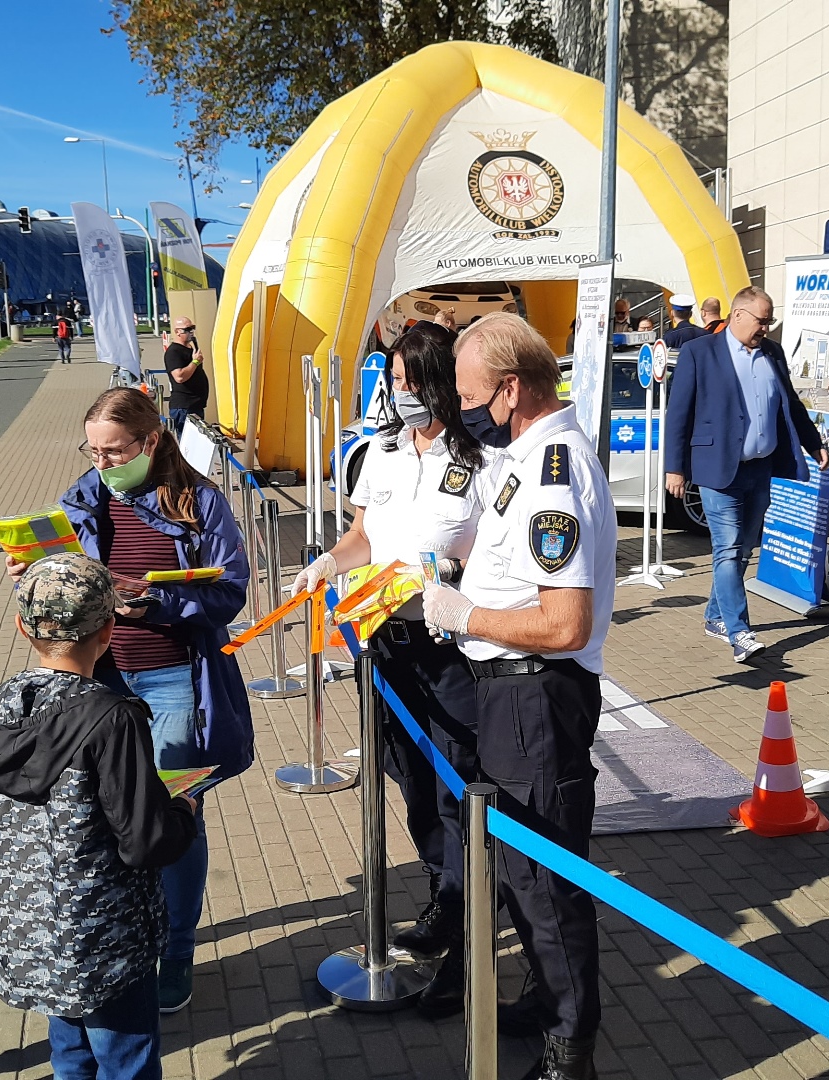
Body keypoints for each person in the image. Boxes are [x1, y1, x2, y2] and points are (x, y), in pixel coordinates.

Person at [6, 386, 253, 1015]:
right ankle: (128, 934)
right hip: (101, 683)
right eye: (93, 451)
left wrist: (157, 602)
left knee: (171, 817)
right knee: (108, 812)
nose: (103, 463)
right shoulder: (81, 500)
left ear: (150, 442)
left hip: (173, 679)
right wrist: (33, 573)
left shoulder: (198, 501)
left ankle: (176, 949)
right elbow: (64, 584)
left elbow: (230, 592)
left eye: (115, 451)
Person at [422, 312, 614, 1080]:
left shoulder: (554, 472)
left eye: (471, 397)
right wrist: (458, 576)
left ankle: (571, 1049)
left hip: (537, 695)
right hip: (510, 695)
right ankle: (546, 999)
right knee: (520, 869)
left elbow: (565, 624)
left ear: (511, 390)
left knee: (545, 881)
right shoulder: (523, 458)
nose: (462, 410)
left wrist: (466, 615)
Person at [291, 322, 484, 1017]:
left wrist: (450, 570)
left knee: (458, 779)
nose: (401, 394)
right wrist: (327, 562)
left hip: (448, 639)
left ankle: (466, 917)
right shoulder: (382, 450)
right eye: (395, 382)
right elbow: (362, 535)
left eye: (412, 382)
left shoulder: (480, 455)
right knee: (411, 777)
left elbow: (492, 548)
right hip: (382, 639)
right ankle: (441, 892)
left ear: (442, 383)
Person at [0, 553, 200, 1080]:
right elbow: (144, 841)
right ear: (108, 630)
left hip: (33, 924)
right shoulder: (112, 716)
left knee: (70, 1053)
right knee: (126, 1059)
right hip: (106, 931)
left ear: (22, 627)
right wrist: (181, 810)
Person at [663, 286, 829, 663]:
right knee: (727, 547)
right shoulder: (699, 352)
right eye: (761, 321)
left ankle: (714, 616)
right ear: (737, 315)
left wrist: (813, 442)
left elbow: (791, 404)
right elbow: (678, 414)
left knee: (743, 549)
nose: (766, 328)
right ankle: (739, 632)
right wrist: (675, 468)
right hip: (717, 469)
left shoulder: (772, 353)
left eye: (770, 321)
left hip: (761, 468)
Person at [164, 316, 209, 430]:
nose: (191, 332)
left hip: (195, 405)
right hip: (184, 406)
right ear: (177, 332)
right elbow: (179, 377)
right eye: (187, 329)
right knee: (187, 440)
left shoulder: (190, 349)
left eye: (193, 328)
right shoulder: (174, 352)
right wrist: (195, 362)